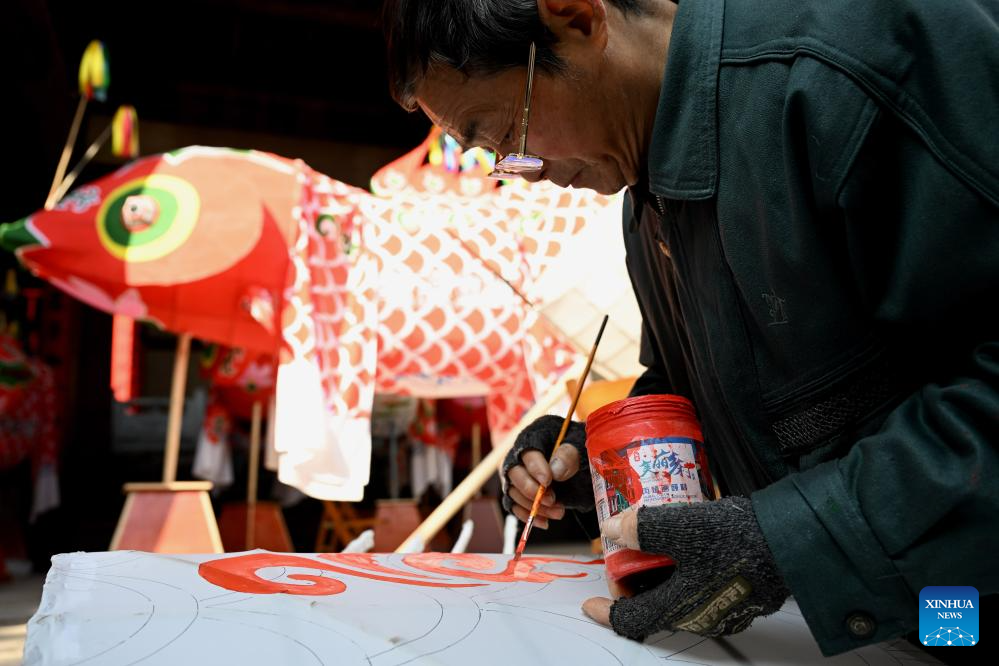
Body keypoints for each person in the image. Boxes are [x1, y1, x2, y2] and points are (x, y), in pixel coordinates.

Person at [381, 0, 999, 656]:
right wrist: (604, 461)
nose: (525, 173)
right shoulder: (646, 203)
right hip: (913, 621)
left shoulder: (842, 70)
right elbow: (705, 393)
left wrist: (786, 539)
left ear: (576, 17)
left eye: (505, 133)